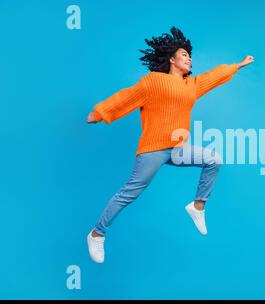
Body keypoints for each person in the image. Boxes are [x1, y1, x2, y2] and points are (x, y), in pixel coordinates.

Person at [86, 26, 254, 263]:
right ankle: (96, 233)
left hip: (177, 150)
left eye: (190, 56)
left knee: (213, 159)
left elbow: (214, 77)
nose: (189, 58)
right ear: (172, 59)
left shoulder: (191, 86)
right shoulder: (154, 81)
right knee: (129, 194)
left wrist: (237, 65)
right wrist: (101, 113)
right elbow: (127, 97)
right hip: (154, 148)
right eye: (184, 55)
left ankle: (197, 207)